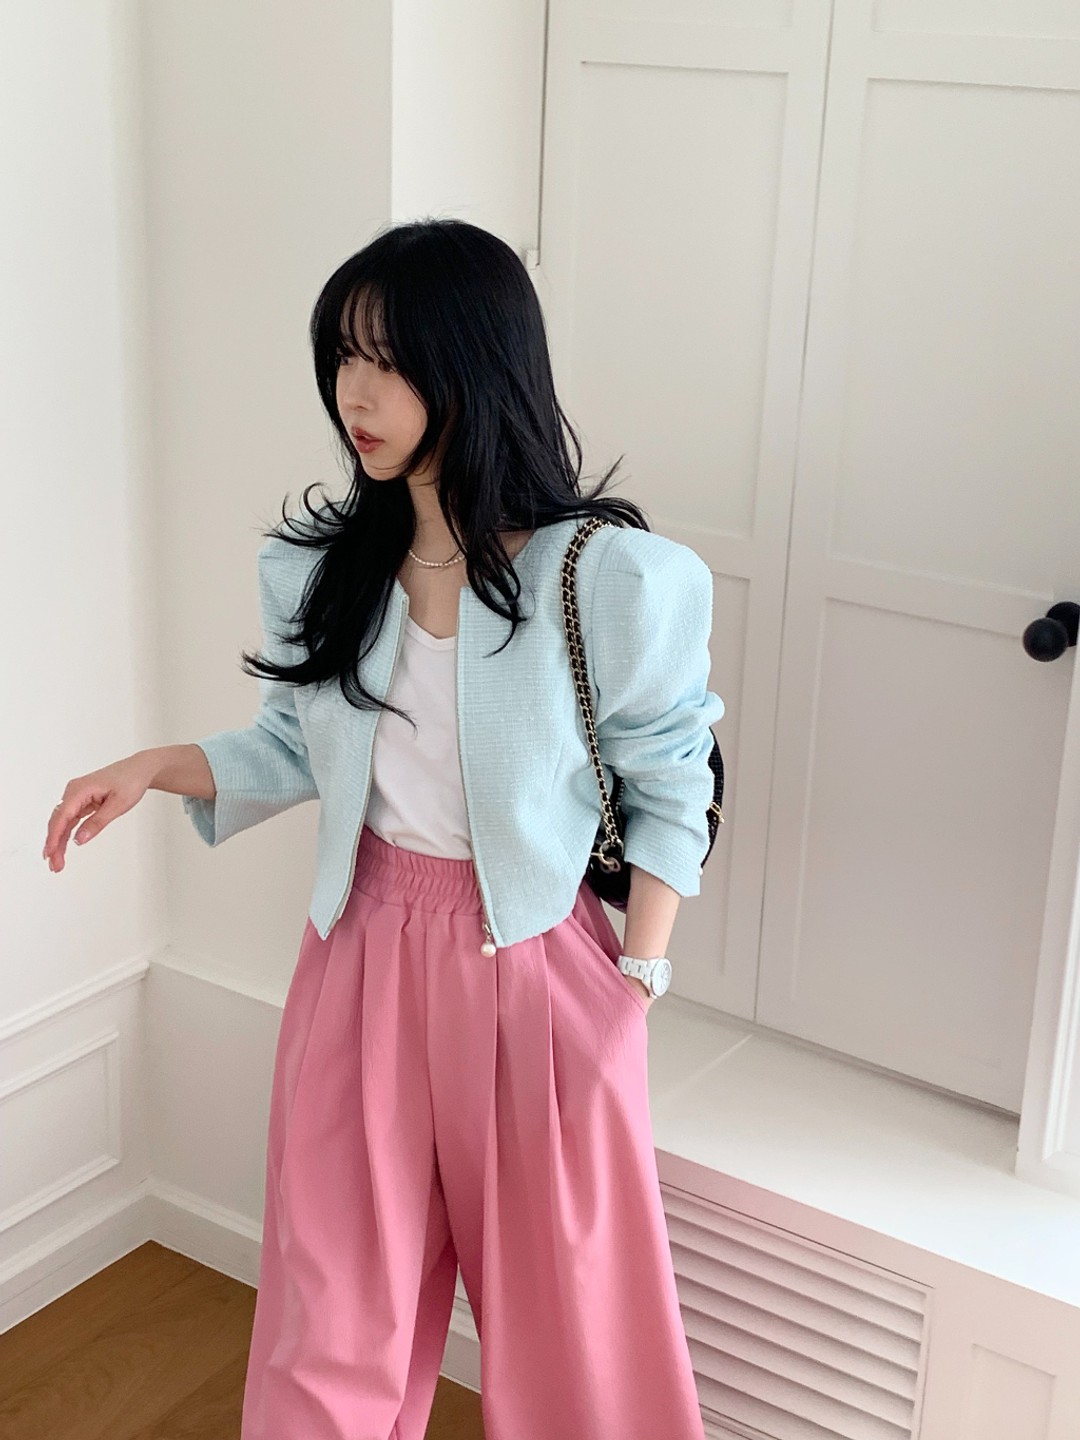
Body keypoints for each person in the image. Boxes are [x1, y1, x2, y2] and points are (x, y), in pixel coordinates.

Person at [42, 218, 725, 1440]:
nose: (354, 395)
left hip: (539, 968)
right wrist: (154, 766)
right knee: (332, 1314)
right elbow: (298, 748)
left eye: (390, 362)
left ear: (478, 363)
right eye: (342, 359)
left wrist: (638, 980)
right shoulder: (322, 567)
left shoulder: (607, 578)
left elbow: (673, 777)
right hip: (358, 954)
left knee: (577, 1336)